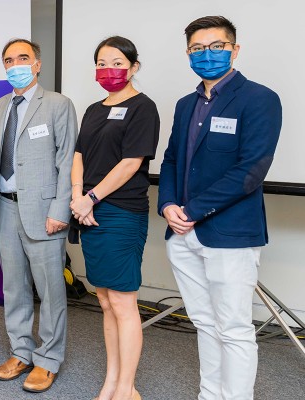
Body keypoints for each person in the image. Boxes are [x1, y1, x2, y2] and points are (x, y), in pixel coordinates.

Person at [158, 16, 281, 400]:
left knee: (234, 328)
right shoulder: (184, 104)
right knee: (205, 325)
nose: (206, 55)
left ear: (234, 49)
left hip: (229, 233)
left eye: (216, 47)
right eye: (197, 49)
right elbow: (172, 160)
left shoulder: (260, 98)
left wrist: (192, 210)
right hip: (181, 232)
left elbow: (251, 170)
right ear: (188, 54)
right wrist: (167, 205)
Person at [0, 38, 77, 393]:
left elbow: (67, 161)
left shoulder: (57, 104)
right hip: (4, 208)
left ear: (37, 64)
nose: (15, 64)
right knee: (14, 287)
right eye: (8, 60)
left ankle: (48, 360)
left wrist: (60, 209)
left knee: (51, 291)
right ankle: (20, 351)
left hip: (44, 211)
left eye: (23, 58)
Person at [70, 36, 159, 400]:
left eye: (118, 63)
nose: (110, 70)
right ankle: (110, 380)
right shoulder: (93, 109)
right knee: (104, 299)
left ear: (134, 67)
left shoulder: (143, 107)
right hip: (88, 210)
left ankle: (127, 388)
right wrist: (77, 195)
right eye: (103, 63)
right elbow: (79, 154)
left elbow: (131, 163)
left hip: (121, 211)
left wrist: (90, 197)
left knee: (123, 302)